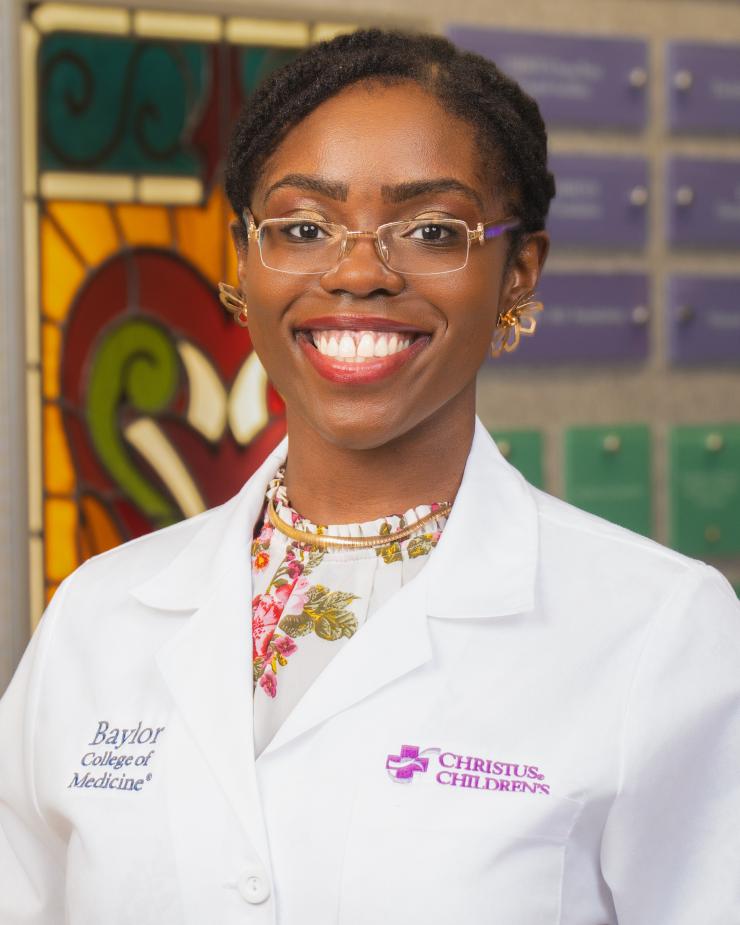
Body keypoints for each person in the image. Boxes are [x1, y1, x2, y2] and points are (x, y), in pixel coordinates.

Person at [1, 28, 739, 925]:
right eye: (304, 226)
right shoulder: (98, 618)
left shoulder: (661, 632)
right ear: (243, 260)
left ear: (519, 274)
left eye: (431, 229)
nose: (357, 272)